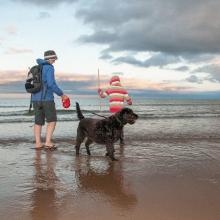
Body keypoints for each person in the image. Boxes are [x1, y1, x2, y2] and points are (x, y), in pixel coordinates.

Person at [32, 50, 68, 150]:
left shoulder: (37, 67)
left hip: (35, 98)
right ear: (50, 58)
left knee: (38, 121)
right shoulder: (49, 68)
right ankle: (48, 142)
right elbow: (51, 84)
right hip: (47, 99)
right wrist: (62, 94)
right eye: (54, 59)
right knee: (52, 120)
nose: (55, 61)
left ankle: (38, 143)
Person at [98, 75, 132, 145]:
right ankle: (121, 140)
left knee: (112, 124)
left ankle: (111, 137)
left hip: (113, 110)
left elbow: (102, 96)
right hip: (121, 112)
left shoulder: (110, 88)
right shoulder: (123, 89)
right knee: (120, 125)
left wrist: (100, 92)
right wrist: (129, 102)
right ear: (118, 81)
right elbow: (129, 101)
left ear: (112, 81)